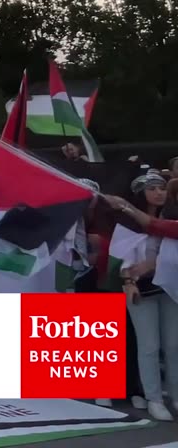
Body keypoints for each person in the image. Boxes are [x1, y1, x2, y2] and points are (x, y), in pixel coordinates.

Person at [106, 172, 176, 421]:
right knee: (149, 346)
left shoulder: (170, 219)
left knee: (173, 346)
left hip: (169, 289)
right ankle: (154, 398)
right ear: (140, 193)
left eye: (162, 188)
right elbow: (122, 257)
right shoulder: (127, 225)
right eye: (152, 188)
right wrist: (128, 280)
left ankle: (175, 396)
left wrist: (154, 263)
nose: (159, 193)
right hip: (140, 291)